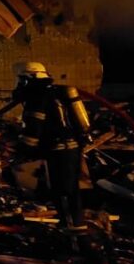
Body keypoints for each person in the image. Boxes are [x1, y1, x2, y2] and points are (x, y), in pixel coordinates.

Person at [11, 62, 91, 227]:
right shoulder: (57, 92)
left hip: (58, 151)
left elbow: (33, 131)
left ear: (29, 78)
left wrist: (21, 151)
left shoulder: (38, 97)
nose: (19, 85)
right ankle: (75, 227)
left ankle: (72, 234)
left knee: (62, 192)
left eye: (21, 80)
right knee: (71, 190)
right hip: (73, 149)